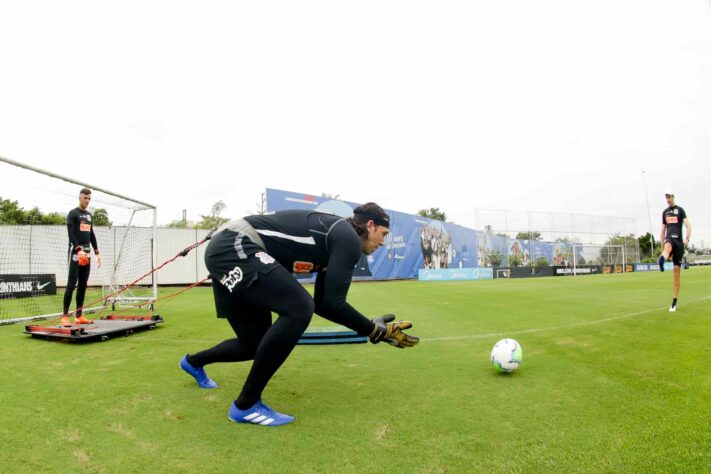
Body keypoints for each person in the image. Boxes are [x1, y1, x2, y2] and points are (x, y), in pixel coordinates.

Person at [179, 202, 419, 427]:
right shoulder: (348, 238)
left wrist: (371, 328)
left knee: (255, 344)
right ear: (370, 225)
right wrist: (372, 329)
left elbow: (326, 304)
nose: (383, 242)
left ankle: (193, 362)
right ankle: (246, 405)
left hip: (227, 248)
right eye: (383, 234)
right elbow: (331, 303)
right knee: (299, 307)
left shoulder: (336, 237)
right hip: (235, 245)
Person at [61, 188, 102, 326]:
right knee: (71, 284)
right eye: (85, 198)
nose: (87, 200)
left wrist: (96, 252)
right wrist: (78, 250)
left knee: (83, 285)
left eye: (89, 198)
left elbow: (91, 234)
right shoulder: (73, 214)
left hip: (88, 255)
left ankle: (79, 316)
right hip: (76, 254)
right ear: (79, 197)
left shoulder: (89, 215)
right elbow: (71, 234)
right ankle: (65, 316)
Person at [657, 189, 691, 312]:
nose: (668, 199)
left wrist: (687, 239)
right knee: (667, 247)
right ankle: (662, 259)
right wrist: (662, 246)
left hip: (679, 242)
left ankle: (674, 303)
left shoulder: (680, 210)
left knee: (676, 274)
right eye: (666, 197)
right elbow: (662, 231)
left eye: (669, 197)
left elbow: (688, 226)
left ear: (673, 197)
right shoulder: (665, 212)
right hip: (669, 239)